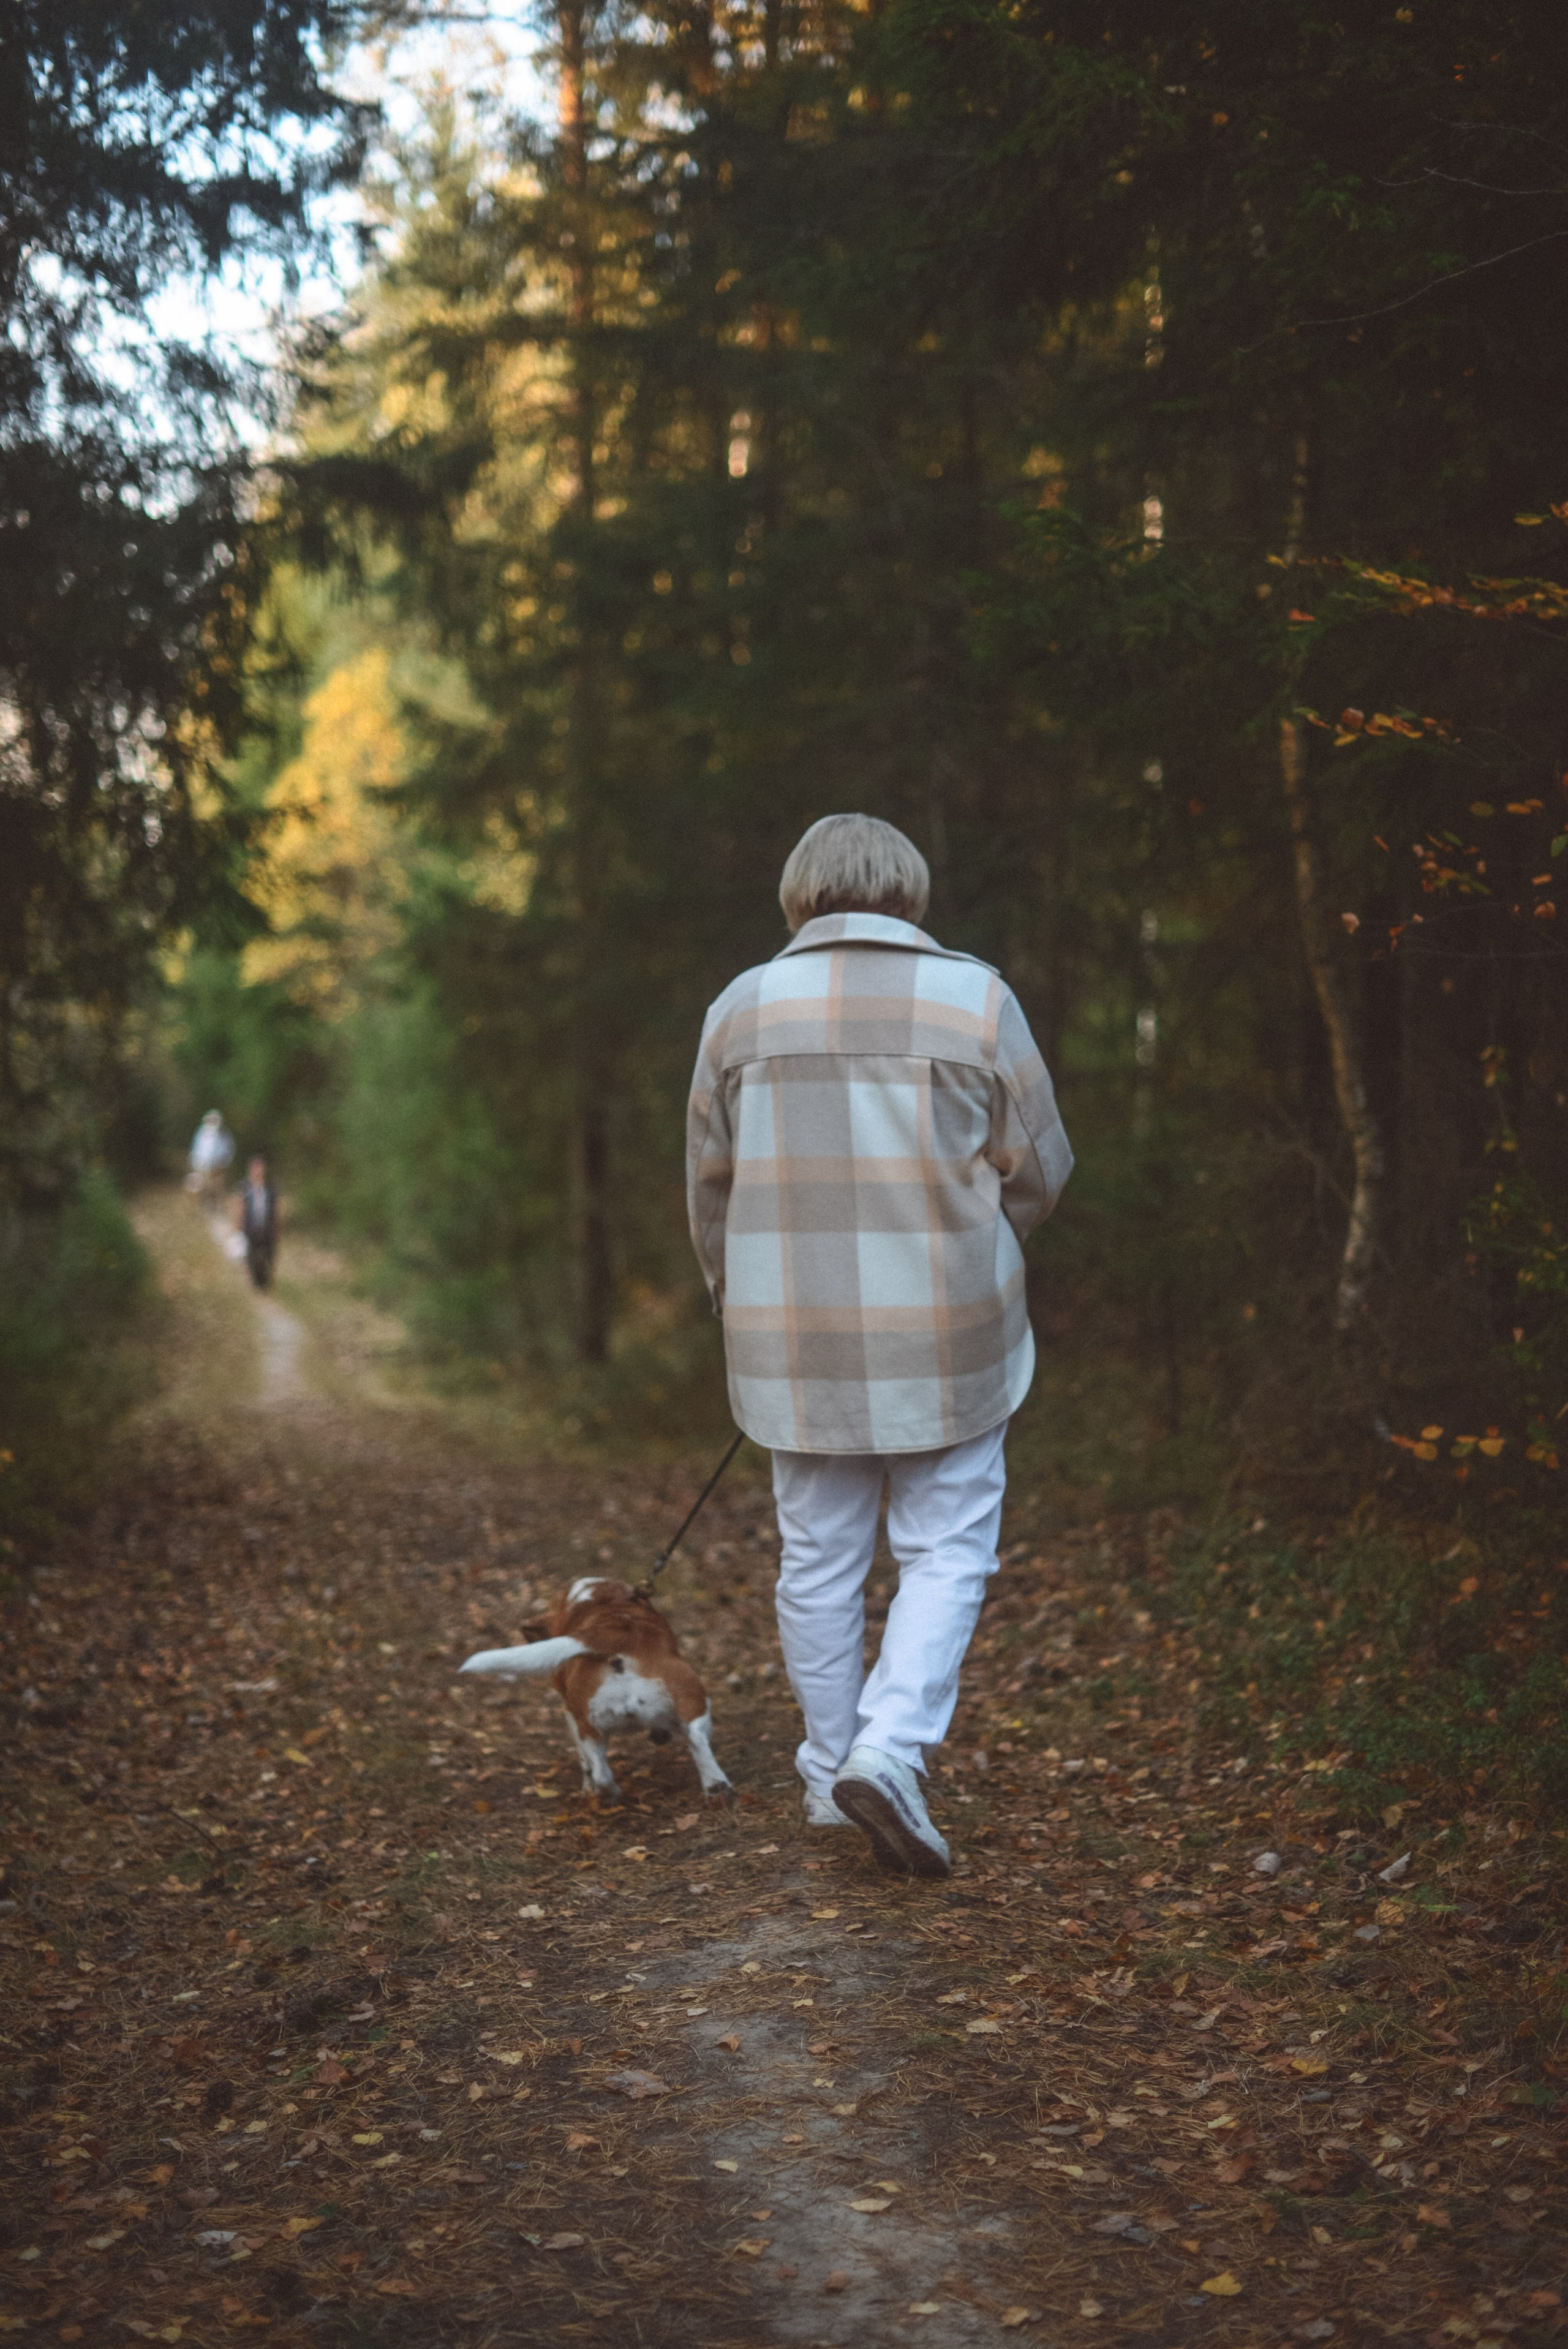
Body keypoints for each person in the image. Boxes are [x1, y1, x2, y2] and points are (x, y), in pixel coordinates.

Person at [687, 813, 1072, 1879]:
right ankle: (890, 1749)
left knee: (818, 1556)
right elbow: (1039, 1167)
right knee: (947, 1545)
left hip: (790, 1335)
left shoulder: (739, 1011)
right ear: (910, 891)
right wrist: (979, 1238)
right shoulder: (977, 999)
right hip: (949, 1330)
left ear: (797, 893)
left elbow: (708, 1190)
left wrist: (739, 1292)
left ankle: (827, 1774)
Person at [236, 1156, 279, 1291]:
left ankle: (265, 1283)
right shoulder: (245, 1186)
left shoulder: (271, 1187)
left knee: (268, 1256)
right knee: (252, 1256)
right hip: (251, 1227)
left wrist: (278, 1226)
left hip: (267, 1227)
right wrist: (238, 1226)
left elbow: (276, 1209)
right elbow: (240, 1207)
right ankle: (254, 1283)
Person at [187, 1109, 234, 1201]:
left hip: (218, 1169)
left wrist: (223, 1164)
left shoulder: (224, 1134)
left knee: (216, 1189)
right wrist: (195, 1164)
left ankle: (215, 1205)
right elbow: (195, 1149)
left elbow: (229, 1151)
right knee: (202, 1188)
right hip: (202, 1167)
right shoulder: (200, 1133)